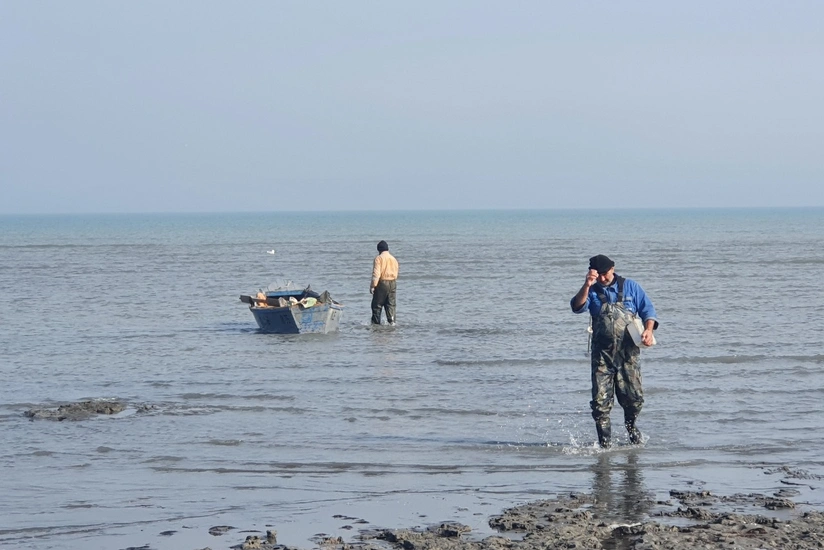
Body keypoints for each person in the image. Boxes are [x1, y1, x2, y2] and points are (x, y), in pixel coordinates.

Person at [570, 254, 658, 448]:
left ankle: (631, 428)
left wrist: (649, 331)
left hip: (628, 355)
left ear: (613, 269)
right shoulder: (591, 290)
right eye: (598, 274)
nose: (602, 278)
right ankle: (605, 445)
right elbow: (577, 307)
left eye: (605, 273)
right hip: (602, 356)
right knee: (600, 404)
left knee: (634, 400)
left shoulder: (631, 287)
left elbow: (648, 311)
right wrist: (587, 284)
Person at [370, 240, 399, 325]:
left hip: (382, 283)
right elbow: (396, 271)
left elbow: (376, 274)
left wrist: (373, 286)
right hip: (393, 282)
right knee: (391, 305)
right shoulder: (393, 259)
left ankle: (376, 324)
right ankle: (392, 322)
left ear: (379, 250)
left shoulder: (379, 258)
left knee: (377, 306)